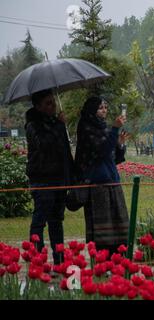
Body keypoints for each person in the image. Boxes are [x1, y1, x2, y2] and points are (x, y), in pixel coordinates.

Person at [74, 97, 129, 254]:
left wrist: (120, 144)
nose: (104, 110)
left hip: (112, 181)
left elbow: (114, 158)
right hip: (97, 185)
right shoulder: (86, 127)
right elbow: (101, 151)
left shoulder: (103, 127)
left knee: (117, 227)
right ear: (92, 110)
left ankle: (117, 260)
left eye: (106, 107)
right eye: (100, 108)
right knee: (102, 232)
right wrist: (114, 130)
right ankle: (103, 261)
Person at [25, 89, 74, 265]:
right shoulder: (33, 125)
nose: (52, 105)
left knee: (56, 221)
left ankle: (59, 260)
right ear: (38, 106)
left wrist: (70, 177)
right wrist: (59, 126)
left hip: (59, 180)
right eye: (48, 103)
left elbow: (65, 153)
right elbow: (44, 145)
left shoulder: (55, 123)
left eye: (53, 102)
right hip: (42, 179)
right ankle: (36, 260)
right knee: (40, 220)